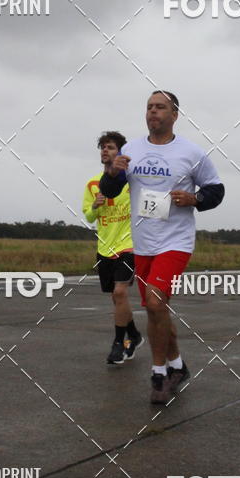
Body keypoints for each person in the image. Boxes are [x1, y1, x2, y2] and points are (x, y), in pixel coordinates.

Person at [99, 91, 224, 405]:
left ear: (175, 114)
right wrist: (112, 172)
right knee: (157, 310)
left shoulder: (191, 152)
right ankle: (179, 366)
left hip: (176, 241)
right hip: (143, 243)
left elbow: (216, 189)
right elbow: (111, 189)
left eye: (160, 107)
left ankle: (159, 374)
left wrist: (195, 199)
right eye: (149, 107)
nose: (153, 112)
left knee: (155, 305)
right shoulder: (132, 149)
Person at [82, 132, 142, 365]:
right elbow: (88, 216)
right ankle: (134, 335)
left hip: (129, 246)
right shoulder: (93, 184)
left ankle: (119, 343)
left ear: (121, 153)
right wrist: (95, 207)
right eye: (103, 148)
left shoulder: (130, 181)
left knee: (120, 293)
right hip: (104, 247)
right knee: (117, 299)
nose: (105, 151)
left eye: (110, 147)